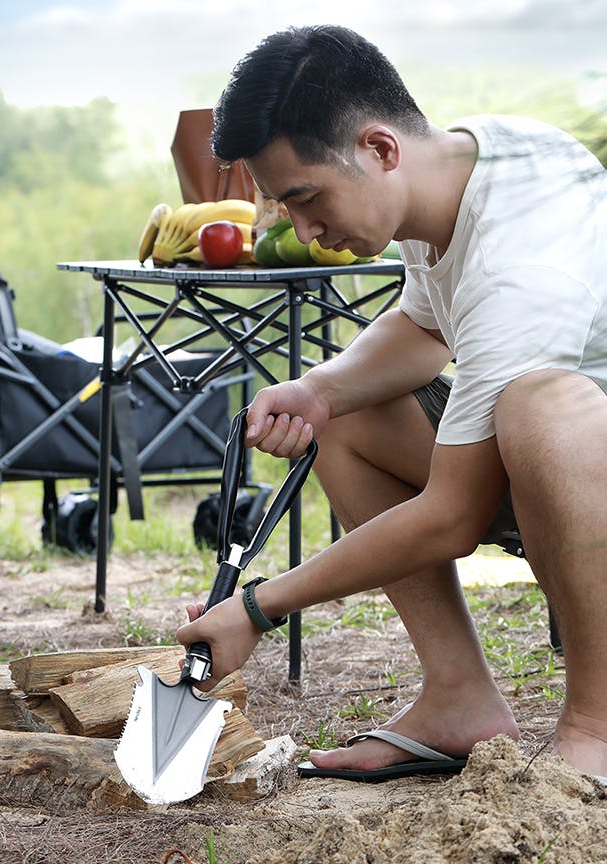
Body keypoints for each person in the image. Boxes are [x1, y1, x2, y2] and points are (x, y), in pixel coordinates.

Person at [176, 24, 607, 782]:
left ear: (379, 149)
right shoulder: (466, 165)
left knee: (542, 410)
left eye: (307, 199)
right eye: (283, 207)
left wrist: (256, 608)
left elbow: (452, 515)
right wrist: (319, 389)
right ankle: (458, 700)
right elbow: (423, 324)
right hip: (561, 480)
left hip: (581, 470)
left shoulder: (522, 262)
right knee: (344, 416)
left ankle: (598, 725)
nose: (305, 232)